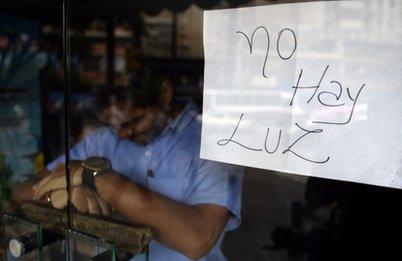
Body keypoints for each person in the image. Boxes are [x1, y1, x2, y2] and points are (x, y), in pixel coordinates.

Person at [13, 79, 244, 261]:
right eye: (114, 125)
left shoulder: (215, 143)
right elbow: (23, 192)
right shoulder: (104, 141)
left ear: (165, 95)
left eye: (133, 121)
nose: (122, 134)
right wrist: (71, 194)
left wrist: (93, 177)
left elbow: (197, 240)